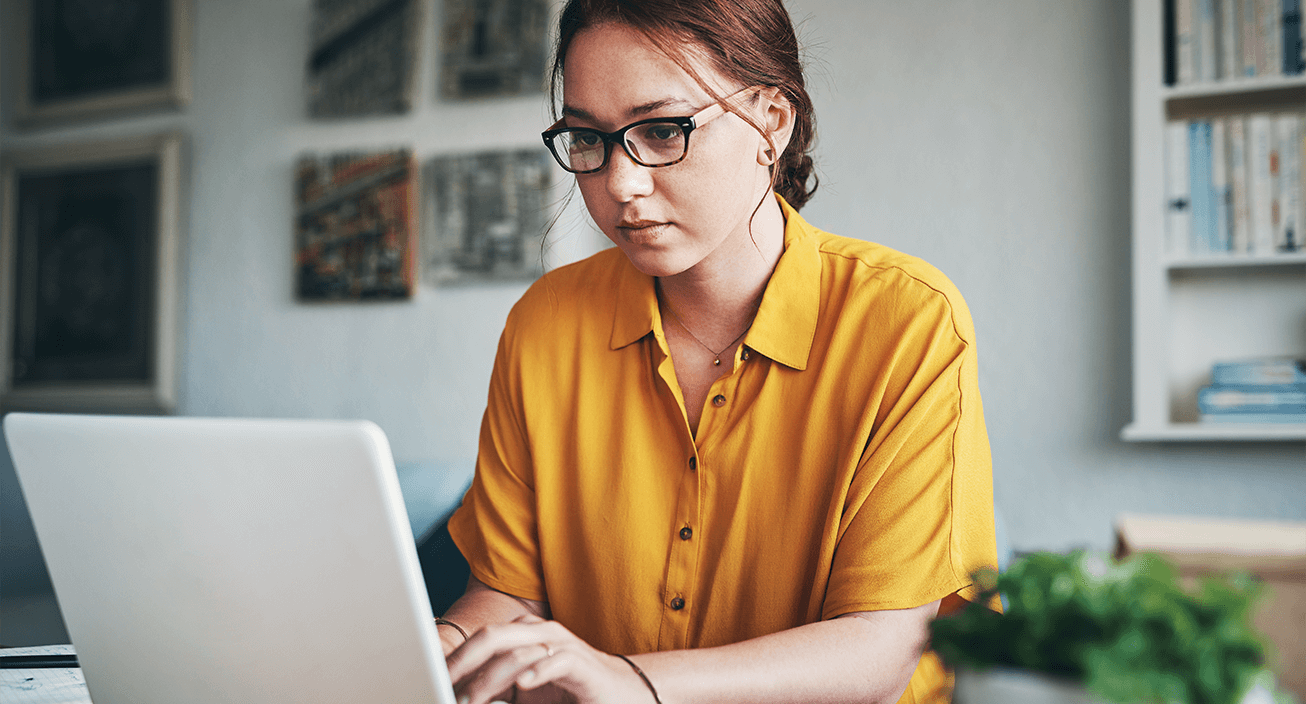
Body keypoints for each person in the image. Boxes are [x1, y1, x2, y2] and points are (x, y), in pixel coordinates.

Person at [439, 1, 997, 702]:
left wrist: (633, 683)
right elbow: (507, 597)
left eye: (664, 130)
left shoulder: (906, 320)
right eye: (587, 138)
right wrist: (441, 644)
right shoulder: (543, 324)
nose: (621, 183)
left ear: (772, 121)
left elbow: (879, 649)